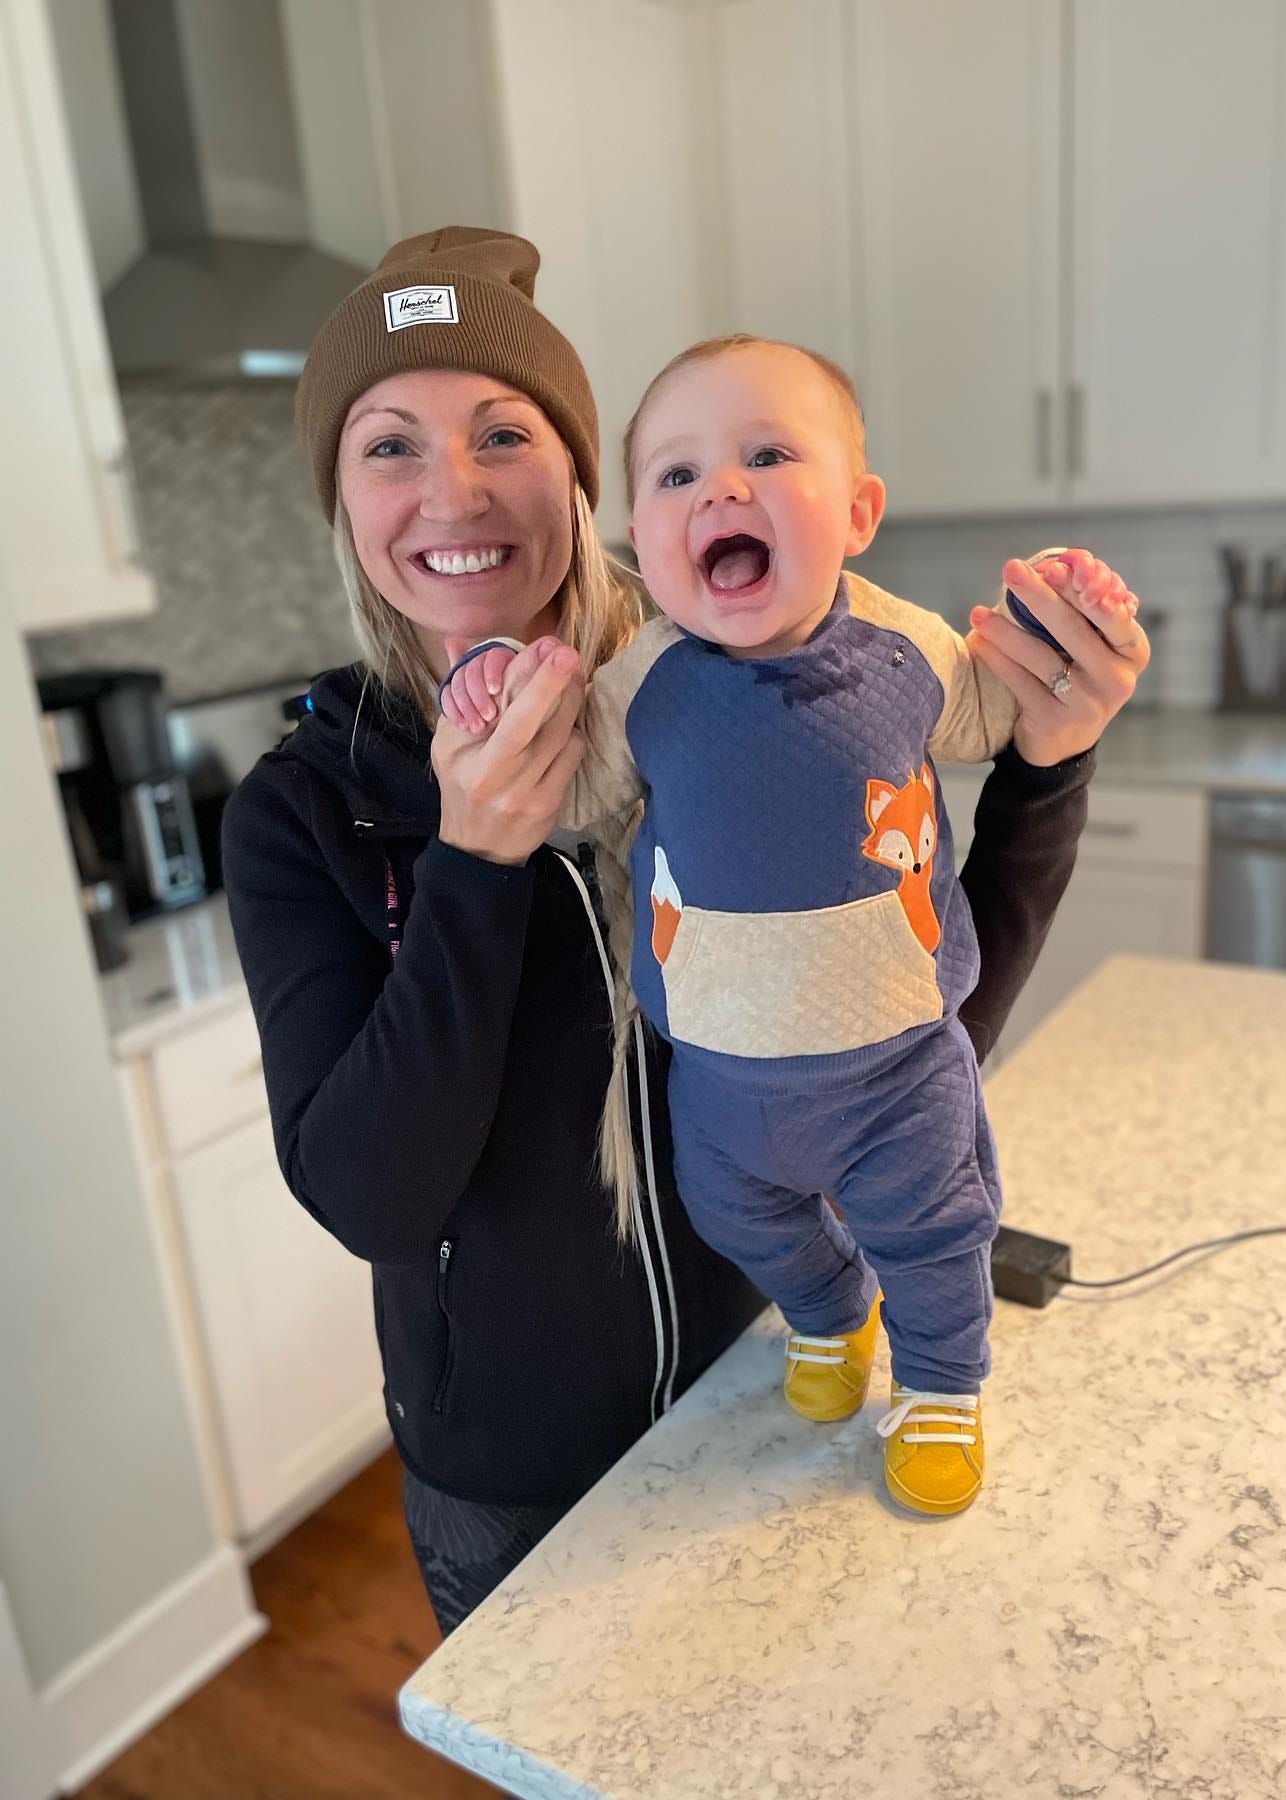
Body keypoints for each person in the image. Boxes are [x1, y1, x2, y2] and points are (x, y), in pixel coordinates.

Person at [222, 229, 1149, 1633]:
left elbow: (917, 1020)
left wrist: (1049, 763)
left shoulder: (719, 678)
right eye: (389, 447)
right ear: (340, 499)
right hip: (515, 1485)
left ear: (581, 473)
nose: (453, 492)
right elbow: (373, 1198)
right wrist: (475, 863)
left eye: (502, 432)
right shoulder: (305, 811)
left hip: (768, 1379)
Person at [438, 334, 1140, 1517]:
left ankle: (942, 1388)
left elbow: (1016, 709)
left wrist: (1069, 612)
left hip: (898, 1067)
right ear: (642, 545)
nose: (722, 488)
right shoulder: (635, 687)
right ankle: (827, 1316)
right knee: (737, 1217)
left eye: (768, 453)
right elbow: (551, 785)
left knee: (935, 1232)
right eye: (676, 476)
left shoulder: (908, 649)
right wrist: (499, 688)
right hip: (717, 1076)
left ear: (858, 511)